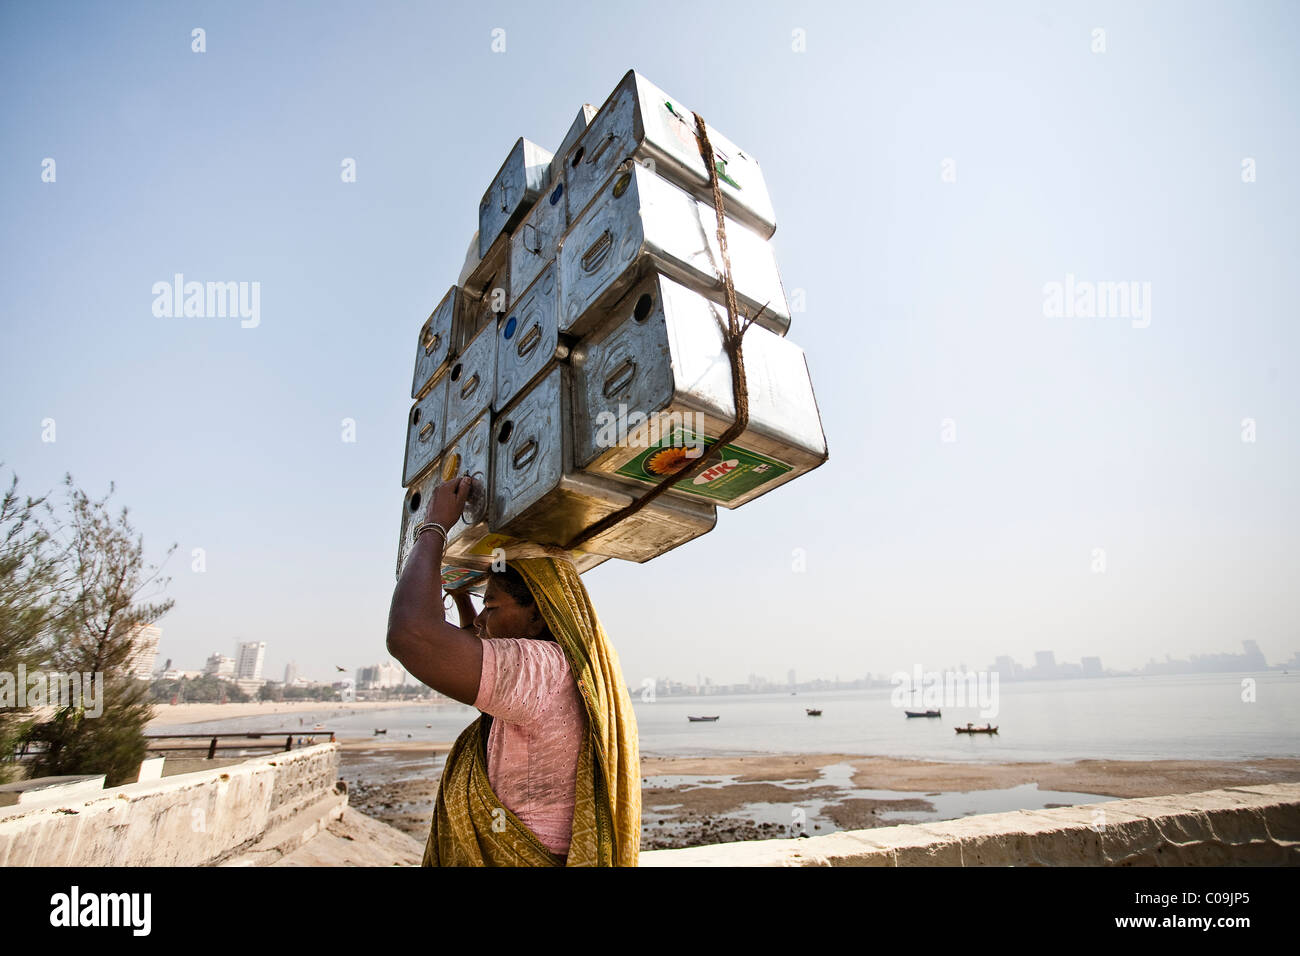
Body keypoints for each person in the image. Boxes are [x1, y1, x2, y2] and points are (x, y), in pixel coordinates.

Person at [386, 475, 640, 866]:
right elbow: (479, 657)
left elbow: (411, 634)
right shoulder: (559, 668)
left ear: (538, 613)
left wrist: (434, 526)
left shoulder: (540, 669)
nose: (482, 621)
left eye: (492, 606)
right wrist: (463, 599)